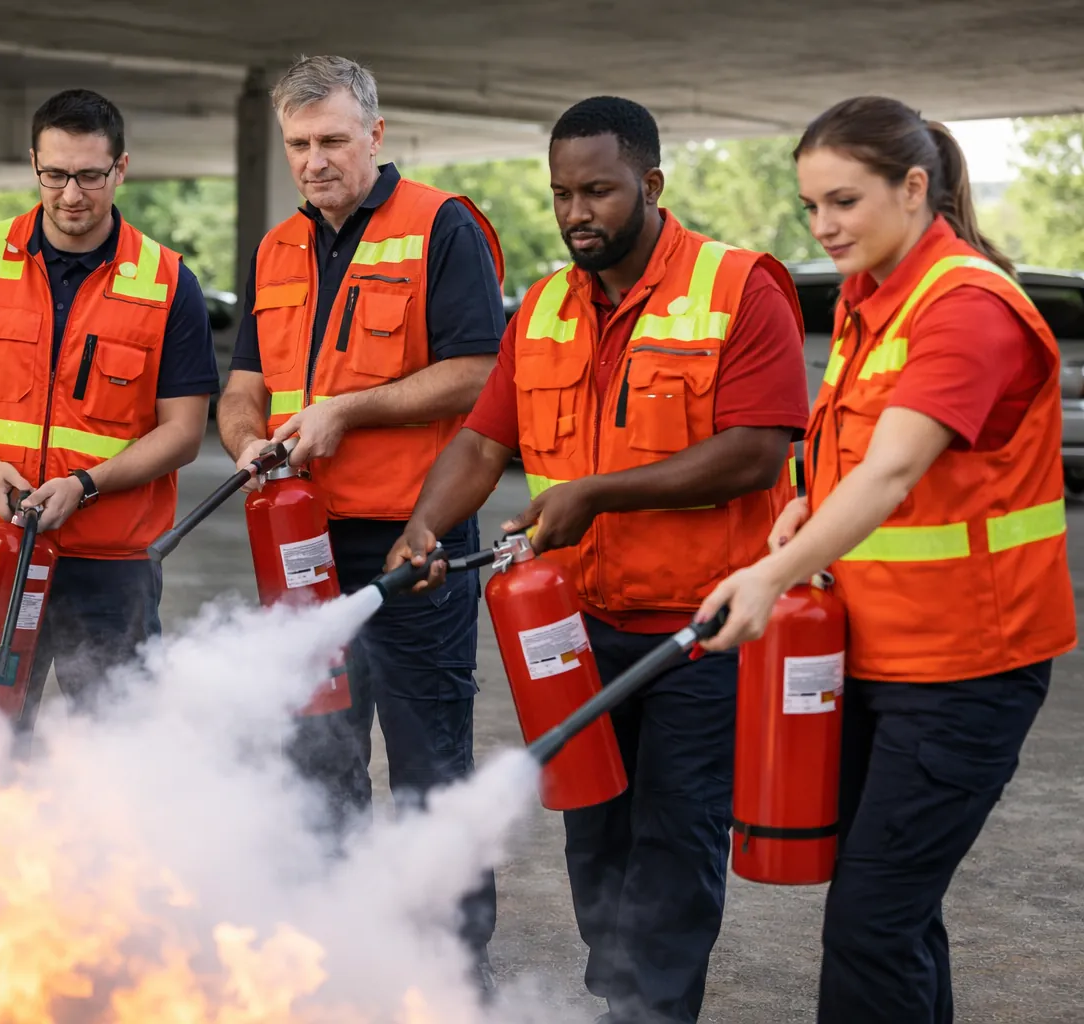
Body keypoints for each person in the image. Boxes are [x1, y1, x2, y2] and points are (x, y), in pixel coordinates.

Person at [386, 96, 809, 1023]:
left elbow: (757, 449)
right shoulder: (544, 307)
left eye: (598, 192)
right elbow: (481, 442)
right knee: (594, 829)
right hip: (576, 629)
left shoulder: (740, 287)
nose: (576, 212)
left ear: (650, 184)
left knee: (675, 834)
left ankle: (650, 1011)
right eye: (561, 194)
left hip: (702, 630)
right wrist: (425, 525)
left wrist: (597, 493)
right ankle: (620, 994)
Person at [698, 96, 1076, 1024]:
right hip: (878, 652)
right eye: (810, 206)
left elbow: (896, 468)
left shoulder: (966, 307)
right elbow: (848, 452)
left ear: (913, 188)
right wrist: (803, 498)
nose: (823, 226)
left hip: (965, 669)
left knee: (873, 923)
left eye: (844, 201)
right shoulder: (874, 297)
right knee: (893, 914)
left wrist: (769, 575)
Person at [215, 54, 507, 984]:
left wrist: (346, 410)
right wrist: (246, 440)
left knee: (429, 764)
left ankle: (448, 973)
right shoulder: (277, 248)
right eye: (298, 144)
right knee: (317, 755)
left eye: (334, 140)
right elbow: (244, 386)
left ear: (375, 135)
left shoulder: (441, 227)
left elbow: (478, 372)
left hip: (410, 542)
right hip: (298, 543)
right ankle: (334, 959)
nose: (315, 160)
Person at [0, 89, 217, 724]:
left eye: (90, 175)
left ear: (121, 169)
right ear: (34, 164)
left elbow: (182, 432)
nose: (70, 195)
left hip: (113, 566)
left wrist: (86, 485)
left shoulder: (169, 282)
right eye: (55, 175)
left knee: (115, 745)